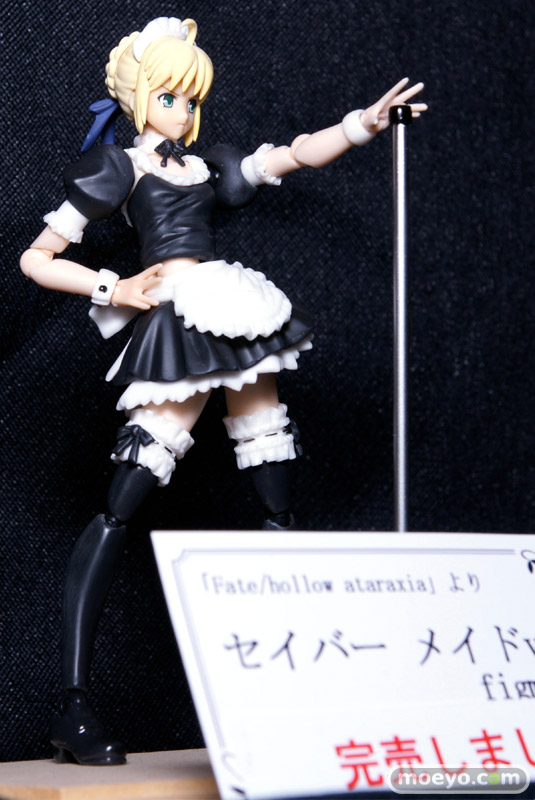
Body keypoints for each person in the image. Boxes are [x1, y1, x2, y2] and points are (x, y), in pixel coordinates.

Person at [20, 16, 426, 765]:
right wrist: (115, 285)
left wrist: (361, 125)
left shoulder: (208, 167)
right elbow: (38, 258)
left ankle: (298, 693)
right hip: (181, 316)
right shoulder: (119, 168)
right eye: (170, 96)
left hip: (233, 312)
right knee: (126, 495)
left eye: (191, 100)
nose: (183, 111)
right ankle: (72, 700)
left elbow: (292, 155)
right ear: (141, 96)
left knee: (275, 487)